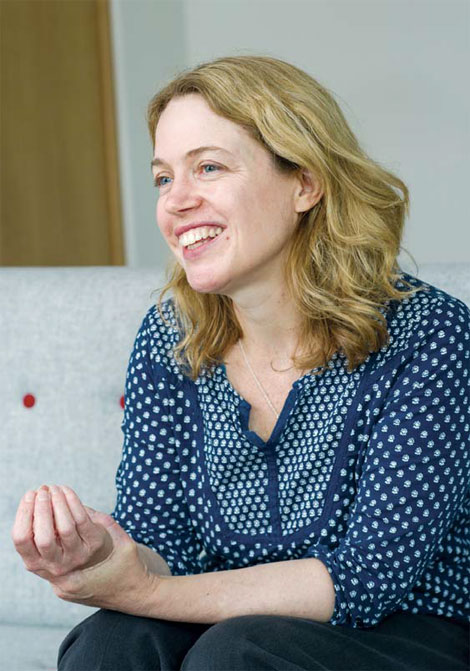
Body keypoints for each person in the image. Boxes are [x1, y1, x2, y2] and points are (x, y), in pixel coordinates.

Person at [11, 55, 469, 671]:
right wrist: (104, 557)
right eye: (163, 178)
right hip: (232, 630)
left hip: (407, 634)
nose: (176, 201)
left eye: (209, 167)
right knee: (113, 640)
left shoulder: (429, 333)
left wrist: (145, 591)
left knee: (236, 651)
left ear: (305, 183)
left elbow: (368, 577)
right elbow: (163, 545)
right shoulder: (172, 336)